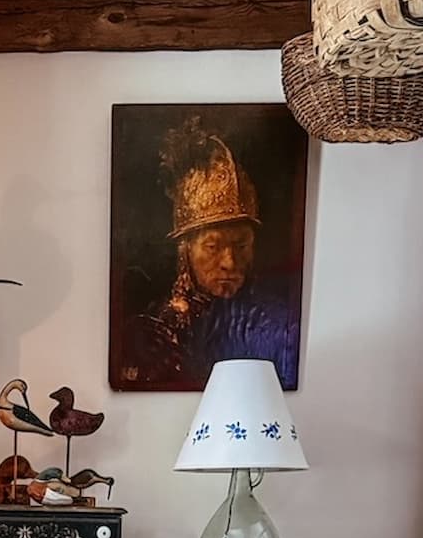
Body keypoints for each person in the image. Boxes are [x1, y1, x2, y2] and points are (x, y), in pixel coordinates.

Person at [121, 116, 299, 390]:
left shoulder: (278, 323)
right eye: (212, 247)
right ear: (186, 250)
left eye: (241, 246)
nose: (229, 262)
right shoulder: (154, 325)